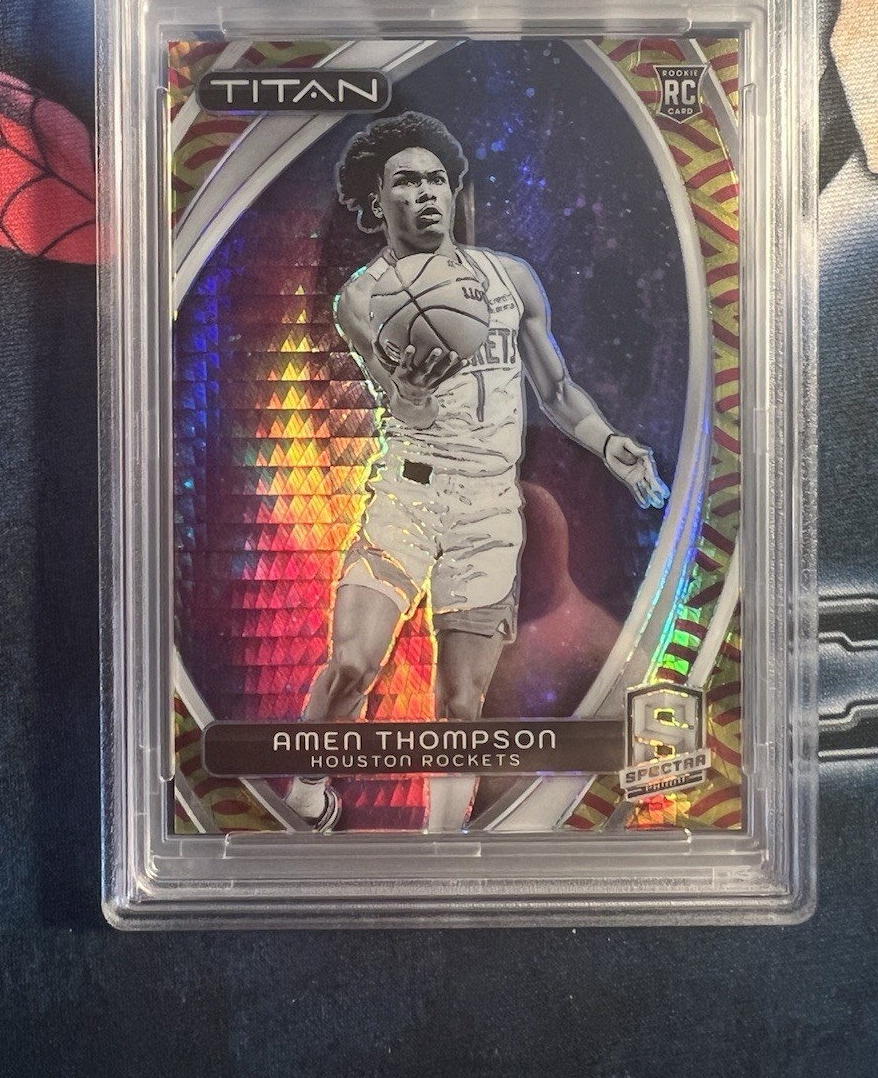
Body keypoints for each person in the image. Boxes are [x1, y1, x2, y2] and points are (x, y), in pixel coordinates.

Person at [285, 111, 668, 832]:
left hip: (490, 511)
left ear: (454, 192)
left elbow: (557, 391)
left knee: (462, 706)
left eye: (436, 179)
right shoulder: (363, 297)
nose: (425, 193)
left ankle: (442, 848)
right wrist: (412, 390)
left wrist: (610, 443)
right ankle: (307, 786)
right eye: (406, 182)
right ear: (378, 201)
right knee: (354, 663)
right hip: (409, 492)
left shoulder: (511, 279)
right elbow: (396, 397)